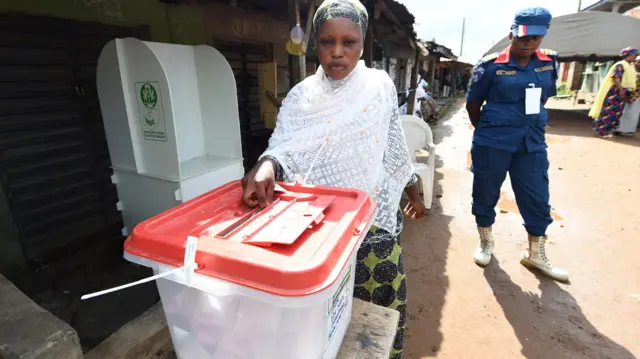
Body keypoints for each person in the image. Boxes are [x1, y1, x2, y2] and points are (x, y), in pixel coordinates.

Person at [241, 1, 427, 357]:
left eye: (349, 42)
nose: (337, 53)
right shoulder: (300, 98)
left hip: (372, 228)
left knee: (374, 326)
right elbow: (283, 147)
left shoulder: (378, 86)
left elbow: (392, 144)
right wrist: (266, 164)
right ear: (316, 45)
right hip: (317, 228)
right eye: (328, 42)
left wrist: (412, 190)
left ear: (363, 42)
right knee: (322, 322)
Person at [466, 7, 568, 282]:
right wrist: (491, 130)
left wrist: (526, 124)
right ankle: (486, 242)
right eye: (522, 37)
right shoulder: (491, 65)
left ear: (543, 35)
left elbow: (544, 98)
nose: (527, 43)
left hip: (531, 142)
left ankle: (536, 254)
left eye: (535, 38)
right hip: (493, 140)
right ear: (512, 33)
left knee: (537, 196)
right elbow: (473, 105)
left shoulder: (549, 62)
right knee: (486, 192)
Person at [589, 47, 638, 138]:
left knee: (616, 112)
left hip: (621, 92)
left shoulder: (629, 66)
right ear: (630, 55)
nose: (636, 57)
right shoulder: (620, 65)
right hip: (615, 92)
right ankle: (600, 131)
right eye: (635, 55)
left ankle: (606, 131)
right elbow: (616, 77)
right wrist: (621, 91)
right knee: (608, 111)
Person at [615, 57, 640, 136]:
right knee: (622, 112)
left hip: (637, 95)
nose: (639, 64)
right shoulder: (629, 70)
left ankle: (630, 130)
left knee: (633, 113)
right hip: (625, 93)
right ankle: (618, 129)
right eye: (638, 62)